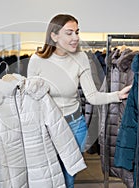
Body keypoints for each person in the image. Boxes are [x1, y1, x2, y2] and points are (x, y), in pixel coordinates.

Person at [27, 14, 131, 188]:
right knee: (49, 176)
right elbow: (32, 100)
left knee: (68, 178)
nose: (75, 37)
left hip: (75, 125)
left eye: (77, 32)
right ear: (54, 35)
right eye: (69, 33)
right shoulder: (37, 60)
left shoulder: (80, 58)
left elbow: (92, 96)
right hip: (47, 127)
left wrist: (117, 95)